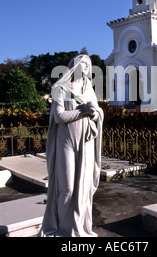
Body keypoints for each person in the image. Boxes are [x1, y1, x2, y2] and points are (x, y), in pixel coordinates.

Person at [38, 54, 103, 237]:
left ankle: (78, 228)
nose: (86, 67)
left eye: (89, 65)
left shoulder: (89, 89)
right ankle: (60, 228)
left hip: (86, 142)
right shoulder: (61, 88)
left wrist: (95, 113)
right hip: (66, 142)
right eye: (83, 63)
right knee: (67, 187)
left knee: (83, 186)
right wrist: (83, 111)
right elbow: (59, 117)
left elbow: (97, 115)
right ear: (74, 66)